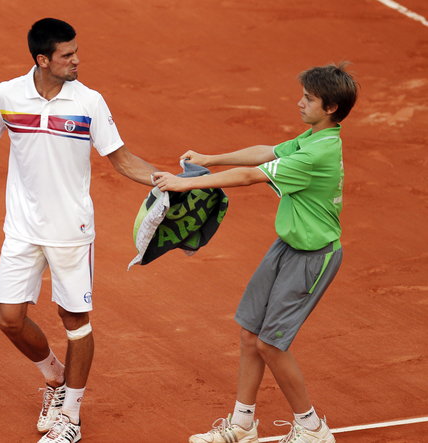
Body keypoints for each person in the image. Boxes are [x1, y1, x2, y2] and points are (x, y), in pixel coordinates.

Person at [0, 18, 156, 443]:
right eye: (67, 54)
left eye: (76, 52)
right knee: (8, 318)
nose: (77, 60)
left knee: (75, 321)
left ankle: (71, 419)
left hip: (72, 231)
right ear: (43, 59)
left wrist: (170, 180)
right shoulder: (7, 94)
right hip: (21, 228)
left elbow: (122, 158)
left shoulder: (90, 102)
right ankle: (55, 379)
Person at [153, 63, 358, 443]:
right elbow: (266, 153)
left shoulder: (318, 154)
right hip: (287, 247)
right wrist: (211, 159)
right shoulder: (314, 137)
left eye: (308, 98)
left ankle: (313, 429)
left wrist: (184, 183)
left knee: (270, 344)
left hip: (313, 257)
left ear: (330, 107)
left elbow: (252, 176)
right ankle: (243, 425)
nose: (299, 102)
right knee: (251, 334)